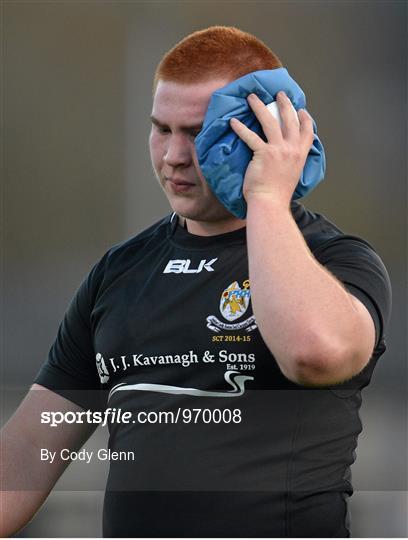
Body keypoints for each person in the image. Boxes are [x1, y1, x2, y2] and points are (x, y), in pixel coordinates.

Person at [0, 26, 391, 537]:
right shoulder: (120, 273)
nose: (174, 156)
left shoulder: (337, 261)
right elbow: (28, 455)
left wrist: (268, 198)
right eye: (162, 129)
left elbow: (313, 351)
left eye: (198, 132)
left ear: (267, 134)